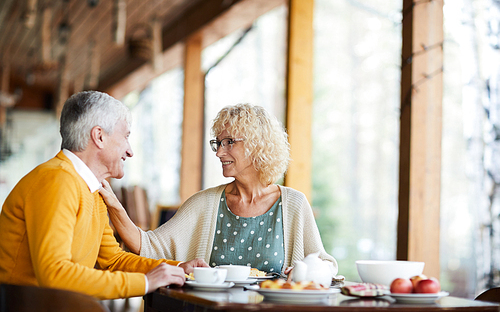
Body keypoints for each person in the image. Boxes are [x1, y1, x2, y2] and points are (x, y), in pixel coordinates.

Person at [0, 90, 208, 300]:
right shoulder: (58, 180)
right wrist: (146, 282)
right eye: (126, 136)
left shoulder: (93, 188)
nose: (130, 151)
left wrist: (178, 269)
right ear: (99, 136)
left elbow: (113, 261)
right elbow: (55, 274)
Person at [102, 103, 338, 276]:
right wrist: (113, 202)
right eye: (218, 143)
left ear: (257, 145)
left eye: (229, 142)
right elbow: (147, 246)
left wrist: (305, 271)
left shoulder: (293, 204)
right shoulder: (204, 203)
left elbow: (325, 264)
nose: (219, 152)